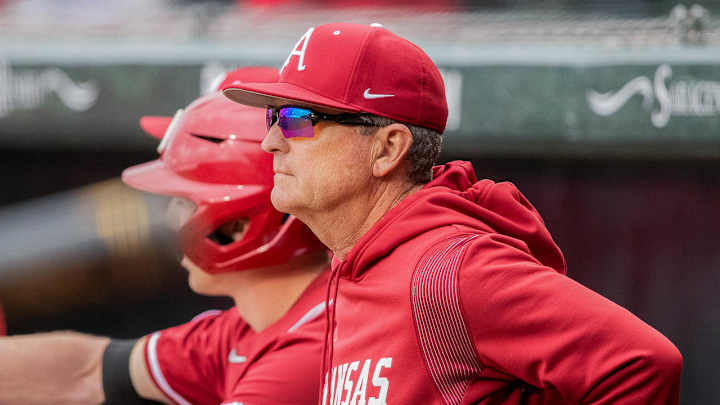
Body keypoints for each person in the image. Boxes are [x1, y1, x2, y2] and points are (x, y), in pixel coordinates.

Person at [223, 23, 683, 405]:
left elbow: (642, 363)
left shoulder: (450, 272)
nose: (271, 141)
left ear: (388, 148)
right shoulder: (353, 265)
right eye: (272, 117)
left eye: (298, 119)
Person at [0, 67, 329, 405]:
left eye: (183, 201)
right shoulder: (245, 329)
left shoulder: (308, 349)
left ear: (241, 224)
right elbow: (84, 371)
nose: (171, 219)